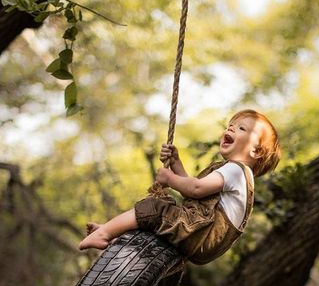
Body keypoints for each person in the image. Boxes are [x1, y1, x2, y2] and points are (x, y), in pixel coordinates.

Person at [79, 109, 281, 264]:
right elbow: (195, 194)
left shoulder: (236, 171)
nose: (230, 129)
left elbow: (195, 189)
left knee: (155, 209)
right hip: (202, 238)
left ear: (256, 151)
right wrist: (176, 163)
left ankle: (105, 233)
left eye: (241, 128)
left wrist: (169, 179)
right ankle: (116, 236)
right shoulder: (233, 172)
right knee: (164, 213)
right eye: (230, 125)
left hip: (203, 236)